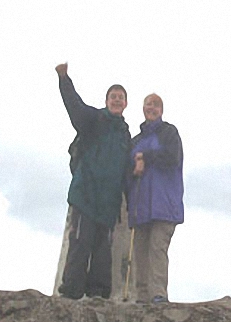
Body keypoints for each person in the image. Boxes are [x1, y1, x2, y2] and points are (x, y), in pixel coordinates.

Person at [55, 62, 131, 300]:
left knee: (102, 249)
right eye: (113, 97)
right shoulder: (94, 119)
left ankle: (98, 292)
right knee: (80, 242)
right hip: (85, 193)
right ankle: (71, 291)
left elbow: (127, 170)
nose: (117, 100)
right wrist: (64, 78)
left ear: (126, 103)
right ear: (107, 100)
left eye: (120, 97)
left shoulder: (125, 135)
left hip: (108, 201)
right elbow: (74, 107)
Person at [128, 93, 184, 304]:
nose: (151, 108)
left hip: (164, 203)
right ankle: (141, 297)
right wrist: (133, 169)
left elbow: (172, 157)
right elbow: (127, 171)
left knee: (157, 249)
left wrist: (145, 157)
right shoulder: (136, 140)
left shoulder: (169, 132)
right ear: (143, 109)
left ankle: (158, 295)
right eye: (148, 105)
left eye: (155, 105)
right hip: (140, 204)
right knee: (140, 252)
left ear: (162, 110)